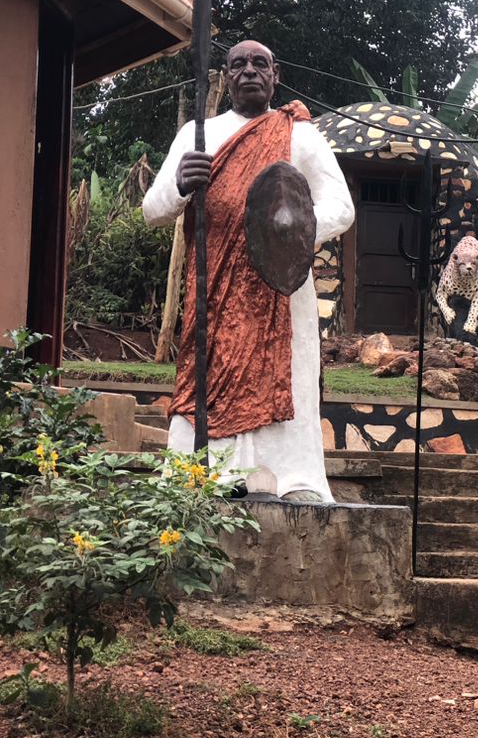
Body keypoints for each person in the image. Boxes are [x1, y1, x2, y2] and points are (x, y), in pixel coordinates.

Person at [143, 40, 354, 502]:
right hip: (214, 290)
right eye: (239, 64)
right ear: (226, 76)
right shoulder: (197, 136)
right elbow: (152, 209)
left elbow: (341, 205)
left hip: (279, 287)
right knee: (206, 379)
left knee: (290, 378)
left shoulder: (299, 136)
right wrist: (181, 183)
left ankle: (295, 480)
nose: (250, 71)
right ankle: (199, 476)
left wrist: (288, 231)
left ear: (275, 75)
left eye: (260, 63)